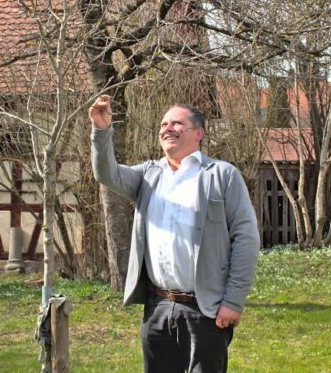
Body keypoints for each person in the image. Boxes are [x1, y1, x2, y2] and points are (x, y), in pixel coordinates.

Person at [89, 95, 261, 373]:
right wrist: (101, 131)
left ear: (198, 133)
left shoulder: (221, 175)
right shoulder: (148, 175)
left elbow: (246, 238)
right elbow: (107, 174)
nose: (167, 128)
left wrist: (233, 301)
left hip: (205, 309)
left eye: (177, 123)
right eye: (163, 124)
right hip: (158, 306)